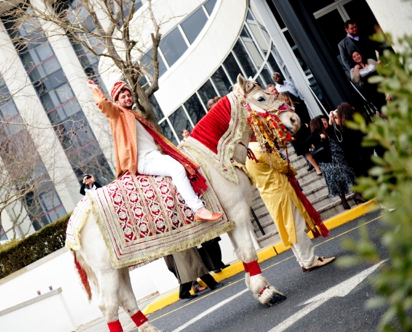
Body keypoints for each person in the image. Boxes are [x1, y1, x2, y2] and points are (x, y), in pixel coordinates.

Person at [88, 80, 223, 222]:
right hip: (142, 160)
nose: (127, 98)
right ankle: (199, 210)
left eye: (129, 95)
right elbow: (104, 105)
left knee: (184, 163)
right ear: (116, 100)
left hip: (154, 156)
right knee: (177, 169)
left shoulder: (133, 114)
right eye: (123, 97)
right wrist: (95, 89)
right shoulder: (117, 114)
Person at [245, 142, 335, 272]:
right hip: (281, 190)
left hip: (269, 194)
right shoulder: (258, 148)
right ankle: (310, 260)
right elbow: (281, 166)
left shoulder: (245, 153)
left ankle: (303, 260)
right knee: (296, 226)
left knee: (289, 228)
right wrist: (290, 168)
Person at [307, 116, 357, 210]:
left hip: (339, 158)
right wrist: (319, 136)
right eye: (322, 121)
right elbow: (307, 141)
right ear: (318, 124)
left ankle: (357, 195)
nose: (324, 122)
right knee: (335, 181)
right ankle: (344, 200)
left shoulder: (329, 131)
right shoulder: (316, 135)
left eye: (325, 120)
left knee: (348, 175)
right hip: (328, 162)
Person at [277, 92, 322, 176]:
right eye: (284, 101)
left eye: (287, 100)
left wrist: (305, 122)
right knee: (305, 151)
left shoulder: (296, 105)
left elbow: (304, 114)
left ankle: (321, 161)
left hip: (303, 129)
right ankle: (317, 167)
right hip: (293, 134)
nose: (287, 102)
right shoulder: (280, 113)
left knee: (313, 144)